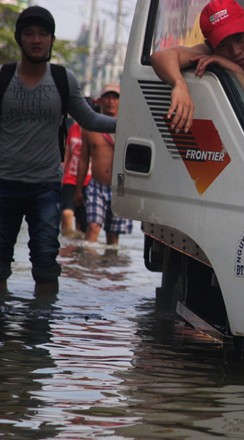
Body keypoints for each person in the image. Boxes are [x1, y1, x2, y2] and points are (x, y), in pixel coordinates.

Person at [0, 6, 116, 296]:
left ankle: (41, 331)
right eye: (29, 34)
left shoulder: (63, 80)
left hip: (46, 187)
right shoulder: (3, 78)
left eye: (43, 34)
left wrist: (128, 124)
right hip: (4, 184)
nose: (36, 40)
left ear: (51, 39)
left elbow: (89, 119)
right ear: (20, 39)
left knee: (46, 262)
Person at [150, 0, 244, 139]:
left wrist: (237, 72)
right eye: (223, 45)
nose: (235, 51)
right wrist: (179, 84)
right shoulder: (212, 52)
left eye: (240, 38)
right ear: (210, 46)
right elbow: (160, 57)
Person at [74, 84, 132, 245]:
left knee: (113, 237)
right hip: (96, 186)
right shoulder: (90, 127)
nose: (110, 102)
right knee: (92, 227)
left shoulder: (129, 126)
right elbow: (83, 159)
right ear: (100, 100)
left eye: (115, 97)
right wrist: (78, 189)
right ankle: (88, 267)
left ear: (121, 101)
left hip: (120, 187)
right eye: (107, 97)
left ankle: (108, 268)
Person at [61, 100, 95, 238]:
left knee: (84, 222)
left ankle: (79, 252)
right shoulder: (73, 129)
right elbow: (67, 152)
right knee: (66, 213)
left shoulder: (95, 130)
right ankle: (67, 244)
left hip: (89, 180)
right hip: (70, 177)